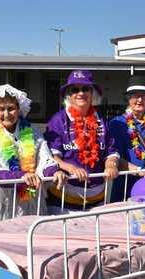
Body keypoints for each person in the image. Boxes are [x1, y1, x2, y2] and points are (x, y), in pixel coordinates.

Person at [0, 84, 66, 221]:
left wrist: (55, 171)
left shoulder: (33, 132)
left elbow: (45, 159)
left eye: (11, 108)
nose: (6, 114)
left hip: (30, 202)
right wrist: (22, 176)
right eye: (1, 109)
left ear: (18, 109)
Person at [44, 70, 119, 209]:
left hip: (98, 198)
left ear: (92, 94)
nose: (81, 93)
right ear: (69, 95)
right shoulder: (58, 120)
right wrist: (71, 168)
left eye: (85, 89)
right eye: (75, 90)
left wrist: (111, 165)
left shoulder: (101, 119)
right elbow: (50, 157)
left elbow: (111, 151)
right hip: (63, 201)